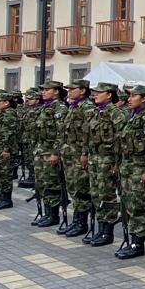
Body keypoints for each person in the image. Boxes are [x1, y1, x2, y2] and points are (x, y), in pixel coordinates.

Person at [114, 85, 145, 260]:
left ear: (144, 98)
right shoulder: (131, 116)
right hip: (128, 168)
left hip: (140, 170)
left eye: (134, 96)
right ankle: (132, 240)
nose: (129, 99)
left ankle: (137, 243)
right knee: (129, 205)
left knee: (139, 206)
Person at [84, 82, 126, 247]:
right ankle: (100, 228)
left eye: (99, 92)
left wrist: (118, 163)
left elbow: (122, 140)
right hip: (95, 160)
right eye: (94, 92)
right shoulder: (97, 112)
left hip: (108, 161)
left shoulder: (116, 113)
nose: (95, 95)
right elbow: (89, 136)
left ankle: (107, 231)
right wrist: (86, 154)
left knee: (106, 195)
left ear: (109, 95)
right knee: (96, 194)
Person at [61, 80, 97, 238]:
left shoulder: (87, 108)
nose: (69, 91)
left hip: (79, 155)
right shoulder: (73, 107)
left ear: (82, 91)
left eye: (72, 89)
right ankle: (76, 220)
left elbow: (90, 134)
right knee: (73, 187)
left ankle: (82, 223)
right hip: (70, 154)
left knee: (81, 188)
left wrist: (85, 153)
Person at [33, 81, 68, 228]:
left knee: (51, 184)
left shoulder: (60, 108)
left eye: (47, 90)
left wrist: (55, 153)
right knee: (42, 183)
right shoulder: (45, 107)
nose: (43, 92)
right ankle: (47, 213)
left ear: (56, 92)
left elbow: (61, 133)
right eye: (43, 90)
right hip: (41, 151)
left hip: (50, 152)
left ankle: (53, 215)